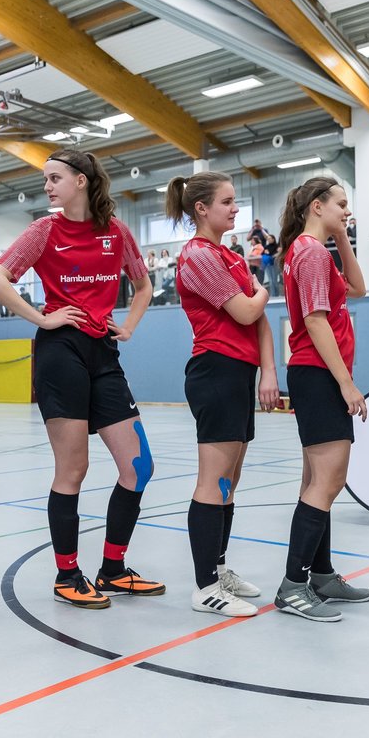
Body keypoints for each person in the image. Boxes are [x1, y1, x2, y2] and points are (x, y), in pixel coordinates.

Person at [0, 148, 163, 609]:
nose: (47, 185)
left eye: (55, 177)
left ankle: (114, 569)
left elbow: (143, 286)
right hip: (60, 351)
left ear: (82, 180)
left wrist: (132, 324)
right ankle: (66, 575)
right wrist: (41, 320)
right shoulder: (43, 230)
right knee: (73, 469)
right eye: (45, 179)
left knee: (138, 467)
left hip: (103, 351)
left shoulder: (117, 232)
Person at [167, 171, 280, 617]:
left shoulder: (229, 256)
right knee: (213, 481)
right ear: (201, 208)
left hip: (240, 373)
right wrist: (263, 288)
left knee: (230, 482)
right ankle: (204, 586)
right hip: (215, 370)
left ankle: (218, 566)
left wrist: (268, 371)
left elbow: (260, 321)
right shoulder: (197, 256)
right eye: (227, 202)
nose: (235, 209)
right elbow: (247, 308)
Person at [274, 177, 369, 622]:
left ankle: (322, 575)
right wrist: (346, 383)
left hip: (316, 374)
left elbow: (358, 289)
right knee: (327, 482)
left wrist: (341, 237)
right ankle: (293, 585)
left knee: (318, 482)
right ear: (317, 206)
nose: (347, 211)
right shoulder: (310, 253)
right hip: (318, 374)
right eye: (341, 205)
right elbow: (316, 322)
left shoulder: (314, 249)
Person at [262, 233, 280, 297]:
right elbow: (262, 254)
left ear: (273, 239)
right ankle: (273, 295)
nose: (269, 240)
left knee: (275, 280)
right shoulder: (266, 247)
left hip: (275, 264)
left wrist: (275, 255)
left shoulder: (277, 246)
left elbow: (279, 253)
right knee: (271, 281)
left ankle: (277, 295)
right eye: (268, 238)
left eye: (270, 238)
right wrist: (265, 253)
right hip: (268, 265)